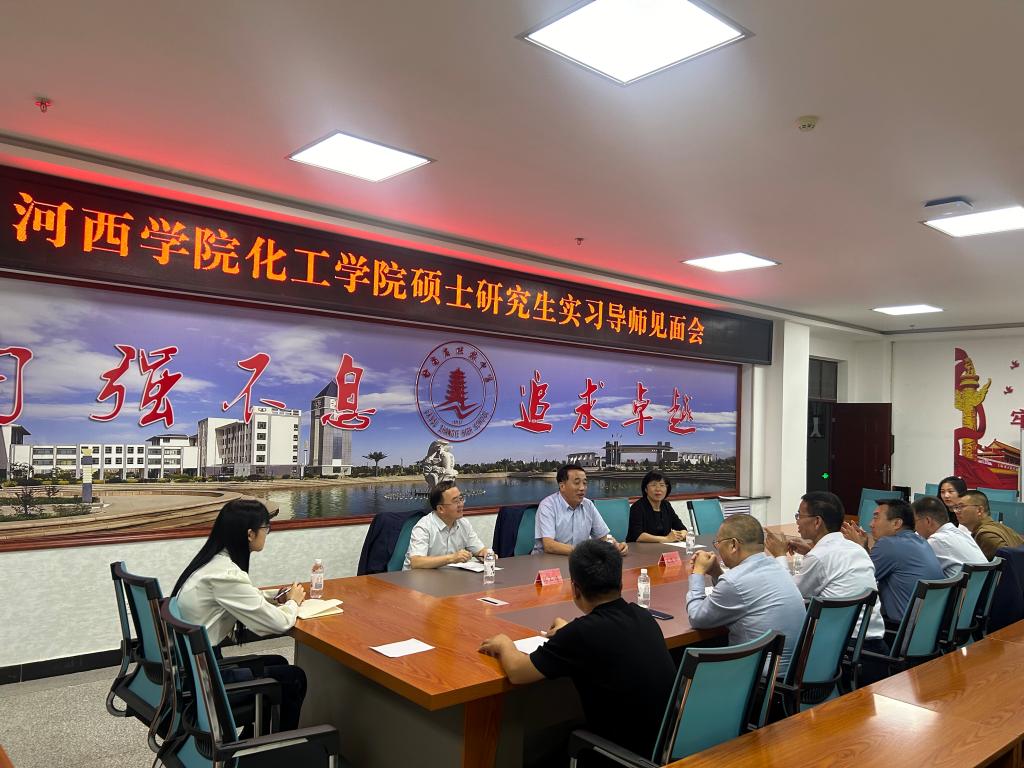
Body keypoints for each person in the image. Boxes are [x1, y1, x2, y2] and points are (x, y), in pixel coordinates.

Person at [479, 540, 674, 765]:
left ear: (575, 588)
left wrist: (504, 644)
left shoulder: (580, 635)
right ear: (620, 582)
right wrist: (568, 631)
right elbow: (599, 634)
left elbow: (517, 672)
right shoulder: (643, 616)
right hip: (664, 749)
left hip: (623, 756)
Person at [172, 499, 307, 731]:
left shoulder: (213, 562)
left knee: (278, 663)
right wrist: (294, 602)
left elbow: (244, 596)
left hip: (195, 667)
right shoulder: (225, 574)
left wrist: (275, 596)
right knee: (294, 678)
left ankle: (254, 740)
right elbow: (278, 623)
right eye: (266, 528)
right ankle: (276, 746)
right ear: (250, 534)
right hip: (206, 680)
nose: (267, 533)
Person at [763, 492, 885, 652]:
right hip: (873, 645)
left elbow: (790, 596)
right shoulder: (856, 548)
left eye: (799, 516)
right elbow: (829, 566)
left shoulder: (819, 557)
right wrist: (811, 552)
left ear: (817, 521)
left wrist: (780, 555)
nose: (797, 521)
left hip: (840, 650)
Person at [687, 514, 806, 675]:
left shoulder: (734, 581)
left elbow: (697, 618)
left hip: (757, 678)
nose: (717, 549)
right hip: (793, 673)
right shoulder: (777, 567)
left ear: (733, 545)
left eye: (718, 543)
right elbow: (738, 594)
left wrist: (698, 573)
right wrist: (716, 572)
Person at [841, 498, 943, 623]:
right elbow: (874, 568)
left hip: (900, 628)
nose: (871, 524)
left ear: (896, 523)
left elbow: (855, 581)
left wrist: (857, 548)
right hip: (927, 624)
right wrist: (864, 547)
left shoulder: (888, 544)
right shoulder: (920, 541)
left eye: (876, 518)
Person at [534, 464, 627, 556]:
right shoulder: (548, 506)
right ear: (562, 486)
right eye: (577, 483)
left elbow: (603, 537)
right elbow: (549, 546)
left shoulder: (588, 505)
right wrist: (586, 551)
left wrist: (616, 545)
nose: (582, 488)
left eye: (585, 483)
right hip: (547, 560)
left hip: (579, 559)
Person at [404, 480, 490, 570]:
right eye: (456, 501)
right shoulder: (424, 526)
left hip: (448, 576)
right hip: (417, 577)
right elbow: (416, 562)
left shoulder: (464, 524)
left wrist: (486, 554)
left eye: (461, 499)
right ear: (440, 509)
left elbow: (479, 550)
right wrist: (452, 558)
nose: (461, 504)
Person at [912, 495, 987, 577]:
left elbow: (911, 568)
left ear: (928, 521)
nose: (914, 528)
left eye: (914, 521)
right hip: (979, 584)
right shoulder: (961, 534)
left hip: (964, 585)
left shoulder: (937, 541)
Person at [954, 490, 1024, 560]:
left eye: (961, 506)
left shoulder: (985, 535)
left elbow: (1010, 560)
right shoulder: (1000, 527)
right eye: (956, 507)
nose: (956, 511)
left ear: (979, 510)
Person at [626, 470, 687, 543]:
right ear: (646, 489)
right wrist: (666, 539)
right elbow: (638, 536)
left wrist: (681, 535)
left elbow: (682, 528)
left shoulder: (666, 505)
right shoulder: (637, 507)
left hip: (663, 547)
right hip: (638, 548)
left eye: (662, 485)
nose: (658, 489)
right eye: (653, 485)